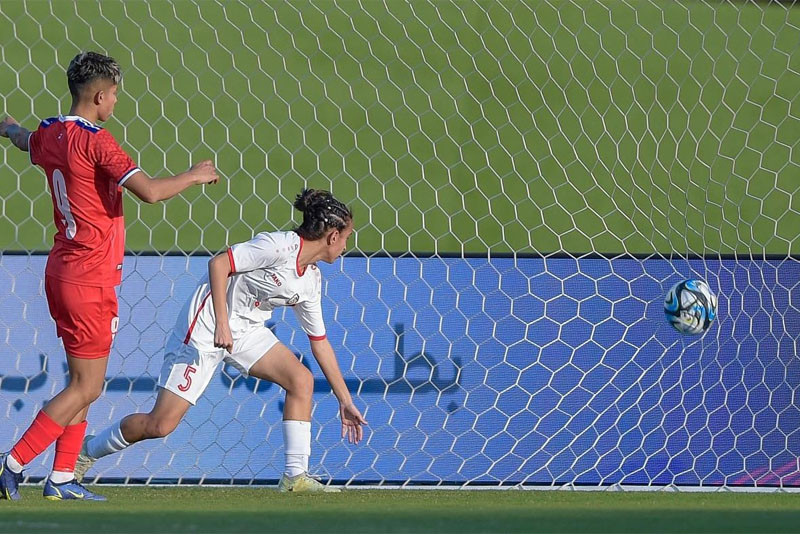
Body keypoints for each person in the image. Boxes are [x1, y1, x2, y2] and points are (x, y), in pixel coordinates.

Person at [0, 51, 219, 501]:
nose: (116, 102)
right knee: (89, 385)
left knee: (80, 381)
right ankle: (13, 463)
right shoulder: (98, 142)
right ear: (99, 96)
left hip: (61, 269)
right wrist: (194, 176)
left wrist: (7, 128)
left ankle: (61, 478)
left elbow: (25, 141)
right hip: (90, 277)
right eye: (115, 94)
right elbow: (152, 193)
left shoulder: (50, 131)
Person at [75, 188, 367, 493]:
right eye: (347, 237)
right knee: (159, 425)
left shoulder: (310, 280)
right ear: (332, 236)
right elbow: (218, 264)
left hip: (246, 331)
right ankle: (86, 451)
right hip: (205, 327)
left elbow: (319, 342)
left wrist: (344, 400)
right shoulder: (278, 246)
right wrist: (222, 326)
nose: (346, 245)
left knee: (301, 380)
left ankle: (295, 477)